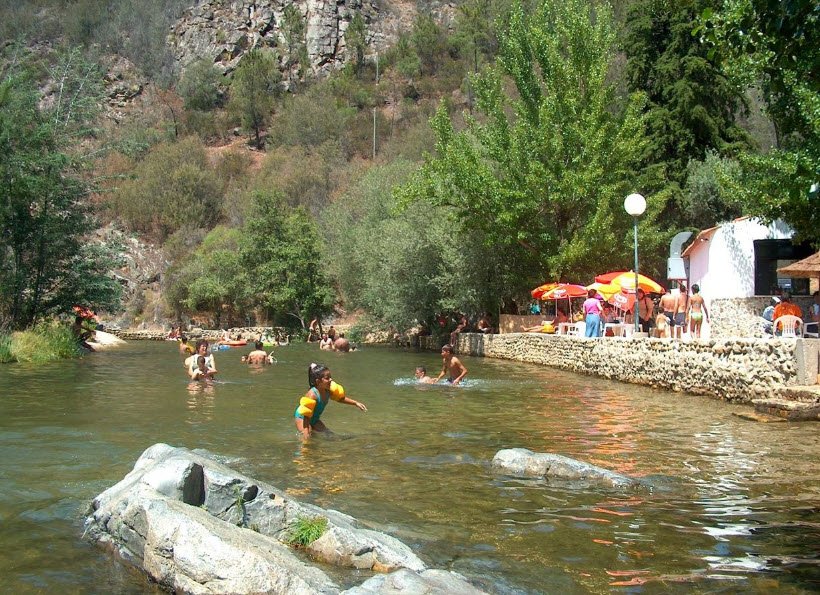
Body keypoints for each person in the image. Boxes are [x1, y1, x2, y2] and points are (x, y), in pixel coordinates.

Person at [294, 363, 367, 439]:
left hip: (314, 419)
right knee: (307, 437)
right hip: (303, 418)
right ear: (318, 381)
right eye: (327, 378)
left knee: (329, 434)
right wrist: (306, 435)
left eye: (330, 377)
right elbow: (306, 416)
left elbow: (340, 399)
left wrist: (355, 403)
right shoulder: (312, 395)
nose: (331, 379)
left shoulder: (328, 391)